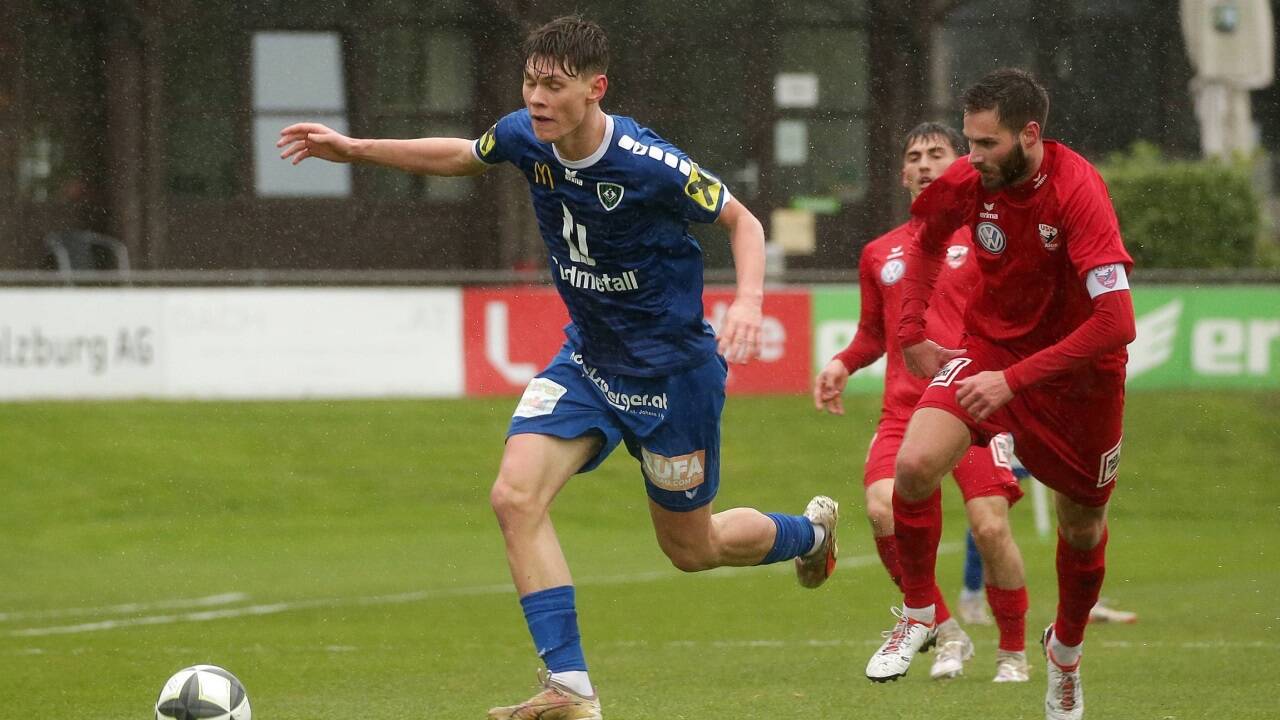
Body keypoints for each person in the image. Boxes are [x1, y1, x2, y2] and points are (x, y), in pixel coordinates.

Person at [278, 16, 837, 720]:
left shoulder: (647, 163)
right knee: (514, 498)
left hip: (671, 378)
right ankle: (569, 687)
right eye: (530, 82)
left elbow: (743, 222)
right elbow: (463, 156)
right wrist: (354, 148)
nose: (536, 98)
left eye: (554, 86)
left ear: (595, 88)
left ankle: (811, 534)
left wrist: (749, 303)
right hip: (588, 361)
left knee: (694, 549)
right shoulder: (523, 136)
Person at [864, 68, 1136, 720]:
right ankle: (921, 613)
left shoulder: (1078, 192)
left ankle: (1064, 652)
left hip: (1080, 381)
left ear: (1029, 135)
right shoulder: (971, 179)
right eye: (970, 141)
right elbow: (926, 242)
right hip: (989, 352)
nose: (973, 157)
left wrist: (1013, 381)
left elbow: (1116, 322)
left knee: (1082, 528)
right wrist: (911, 332)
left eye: (987, 144)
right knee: (913, 466)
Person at [815, 122, 1030, 683]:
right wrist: (842, 363)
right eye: (915, 156)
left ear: (961, 165)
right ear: (903, 174)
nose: (925, 163)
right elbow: (873, 333)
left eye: (938, 153)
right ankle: (946, 629)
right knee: (882, 507)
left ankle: (1013, 651)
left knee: (989, 528)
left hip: (973, 403)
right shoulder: (878, 252)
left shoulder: (986, 237)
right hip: (905, 411)